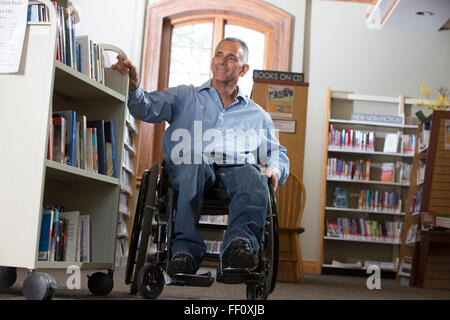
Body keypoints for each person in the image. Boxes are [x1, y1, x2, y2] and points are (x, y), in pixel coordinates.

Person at [112, 37, 289, 275]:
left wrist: (274, 170)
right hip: (191, 166)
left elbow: (278, 153)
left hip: (235, 172)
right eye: (218, 55)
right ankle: (183, 250)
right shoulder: (186, 96)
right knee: (193, 160)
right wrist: (134, 87)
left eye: (231, 57)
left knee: (253, 175)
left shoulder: (257, 115)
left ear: (244, 69)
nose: (222, 62)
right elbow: (145, 108)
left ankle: (239, 247)